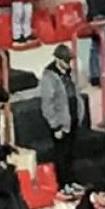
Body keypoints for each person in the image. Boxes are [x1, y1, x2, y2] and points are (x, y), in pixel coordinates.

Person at [40, 44, 86, 195]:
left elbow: (76, 93)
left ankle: (71, 181)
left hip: (72, 119)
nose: (68, 64)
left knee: (71, 154)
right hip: (60, 123)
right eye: (65, 61)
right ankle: (63, 184)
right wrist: (55, 126)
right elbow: (47, 104)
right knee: (61, 155)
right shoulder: (49, 76)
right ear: (57, 59)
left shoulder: (69, 73)